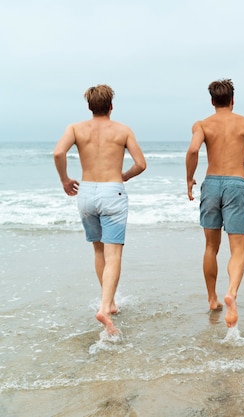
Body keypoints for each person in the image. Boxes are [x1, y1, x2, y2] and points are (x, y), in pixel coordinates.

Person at [53, 84, 146, 336]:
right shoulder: (123, 130)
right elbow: (141, 164)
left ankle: (110, 303)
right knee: (114, 254)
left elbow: (58, 152)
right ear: (111, 106)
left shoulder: (75, 128)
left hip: (86, 193)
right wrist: (123, 176)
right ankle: (105, 306)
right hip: (111, 191)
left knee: (98, 248)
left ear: (89, 107)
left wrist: (64, 179)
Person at [186, 78, 244, 328]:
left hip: (211, 184)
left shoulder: (202, 124)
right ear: (233, 100)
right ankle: (231, 291)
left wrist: (189, 179)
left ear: (212, 101)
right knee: (238, 248)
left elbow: (192, 151)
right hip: (236, 184)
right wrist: (240, 156)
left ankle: (212, 299)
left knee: (211, 247)